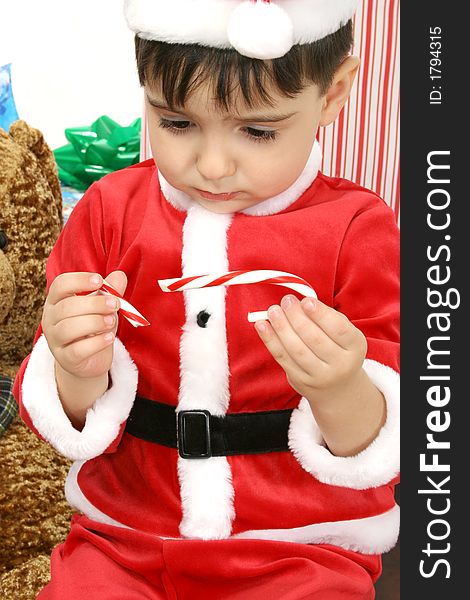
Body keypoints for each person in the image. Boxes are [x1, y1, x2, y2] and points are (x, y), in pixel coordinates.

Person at [13, 1, 400, 598]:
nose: (213, 166)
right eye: (176, 123)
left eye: (259, 131)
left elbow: (389, 438)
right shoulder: (110, 214)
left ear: (332, 93)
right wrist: (74, 367)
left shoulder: (358, 230)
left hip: (298, 550)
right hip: (123, 541)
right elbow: (67, 418)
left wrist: (340, 387)